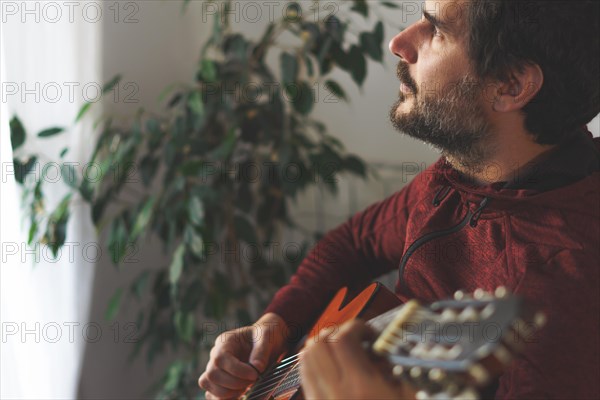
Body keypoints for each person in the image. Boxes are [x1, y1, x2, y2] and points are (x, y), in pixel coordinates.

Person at [199, 0, 600, 398]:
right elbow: (354, 242)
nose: (399, 42)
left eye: (436, 29)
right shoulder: (468, 175)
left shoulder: (563, 282)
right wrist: (276, 323)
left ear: (511, 85)